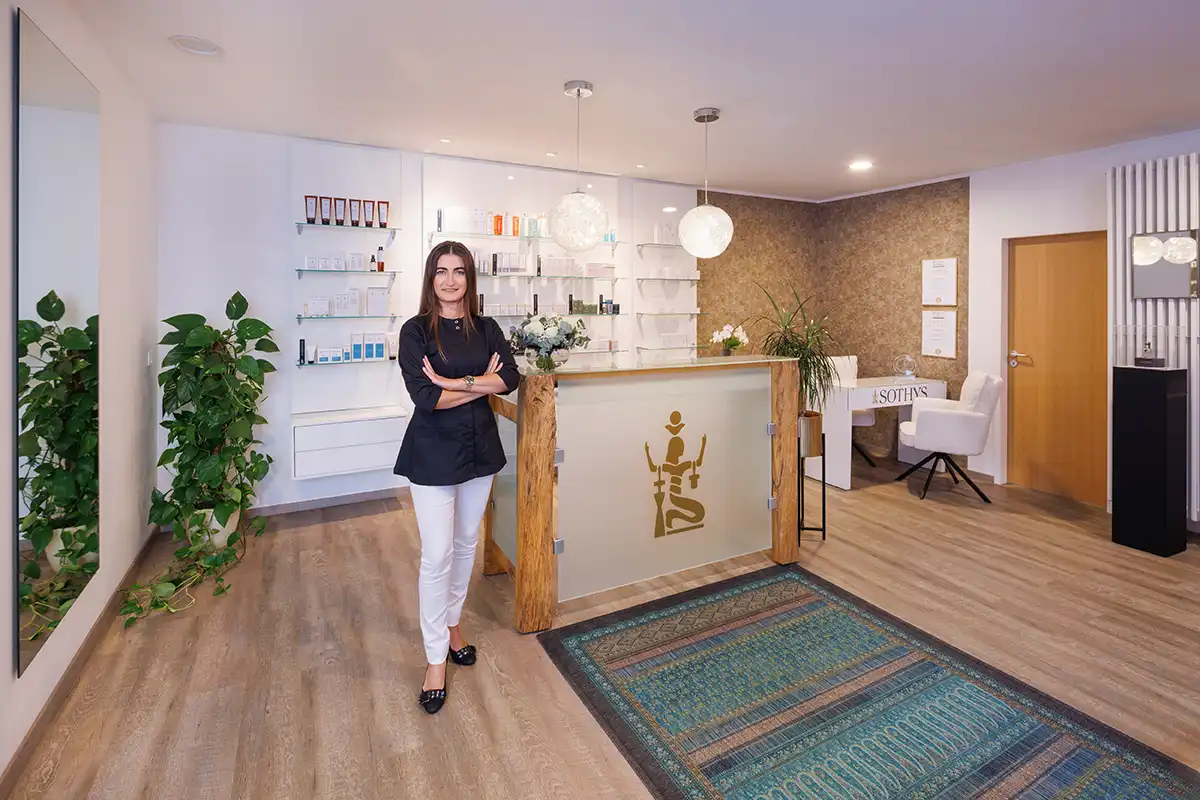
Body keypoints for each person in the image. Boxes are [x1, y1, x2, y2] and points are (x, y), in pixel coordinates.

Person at [394, 240, 520, 714]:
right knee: (437, 555)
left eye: (460, 271)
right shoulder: (415, 331)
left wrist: (452, 382)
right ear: (431, 278)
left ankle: (452, 627)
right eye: (442, 271)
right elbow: (425, 398)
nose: (450, 280)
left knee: (466, 544)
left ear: (470, 278)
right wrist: (476, 384)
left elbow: (509, 378)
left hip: (479, 449)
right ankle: (434, 660)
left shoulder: (487, 329)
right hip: (431, 454)